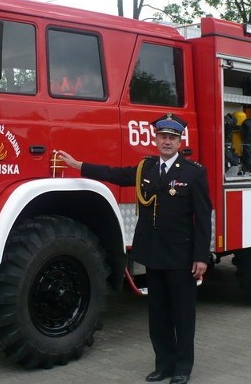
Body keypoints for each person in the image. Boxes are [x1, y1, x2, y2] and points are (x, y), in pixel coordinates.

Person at [58, 112, 212, 384]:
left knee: (183, 316)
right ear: (156, 139)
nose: (167, 141)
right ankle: (163, 365)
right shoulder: (146, 169)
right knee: (158, 315)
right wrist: (78, 165)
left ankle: (182, 368)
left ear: (179, 142)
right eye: (163, 136)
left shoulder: (194, 172)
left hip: (181, 256)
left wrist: (201, 257)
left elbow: (202, 217)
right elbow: (114, 174)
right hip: (153, 256)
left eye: (172, 138)